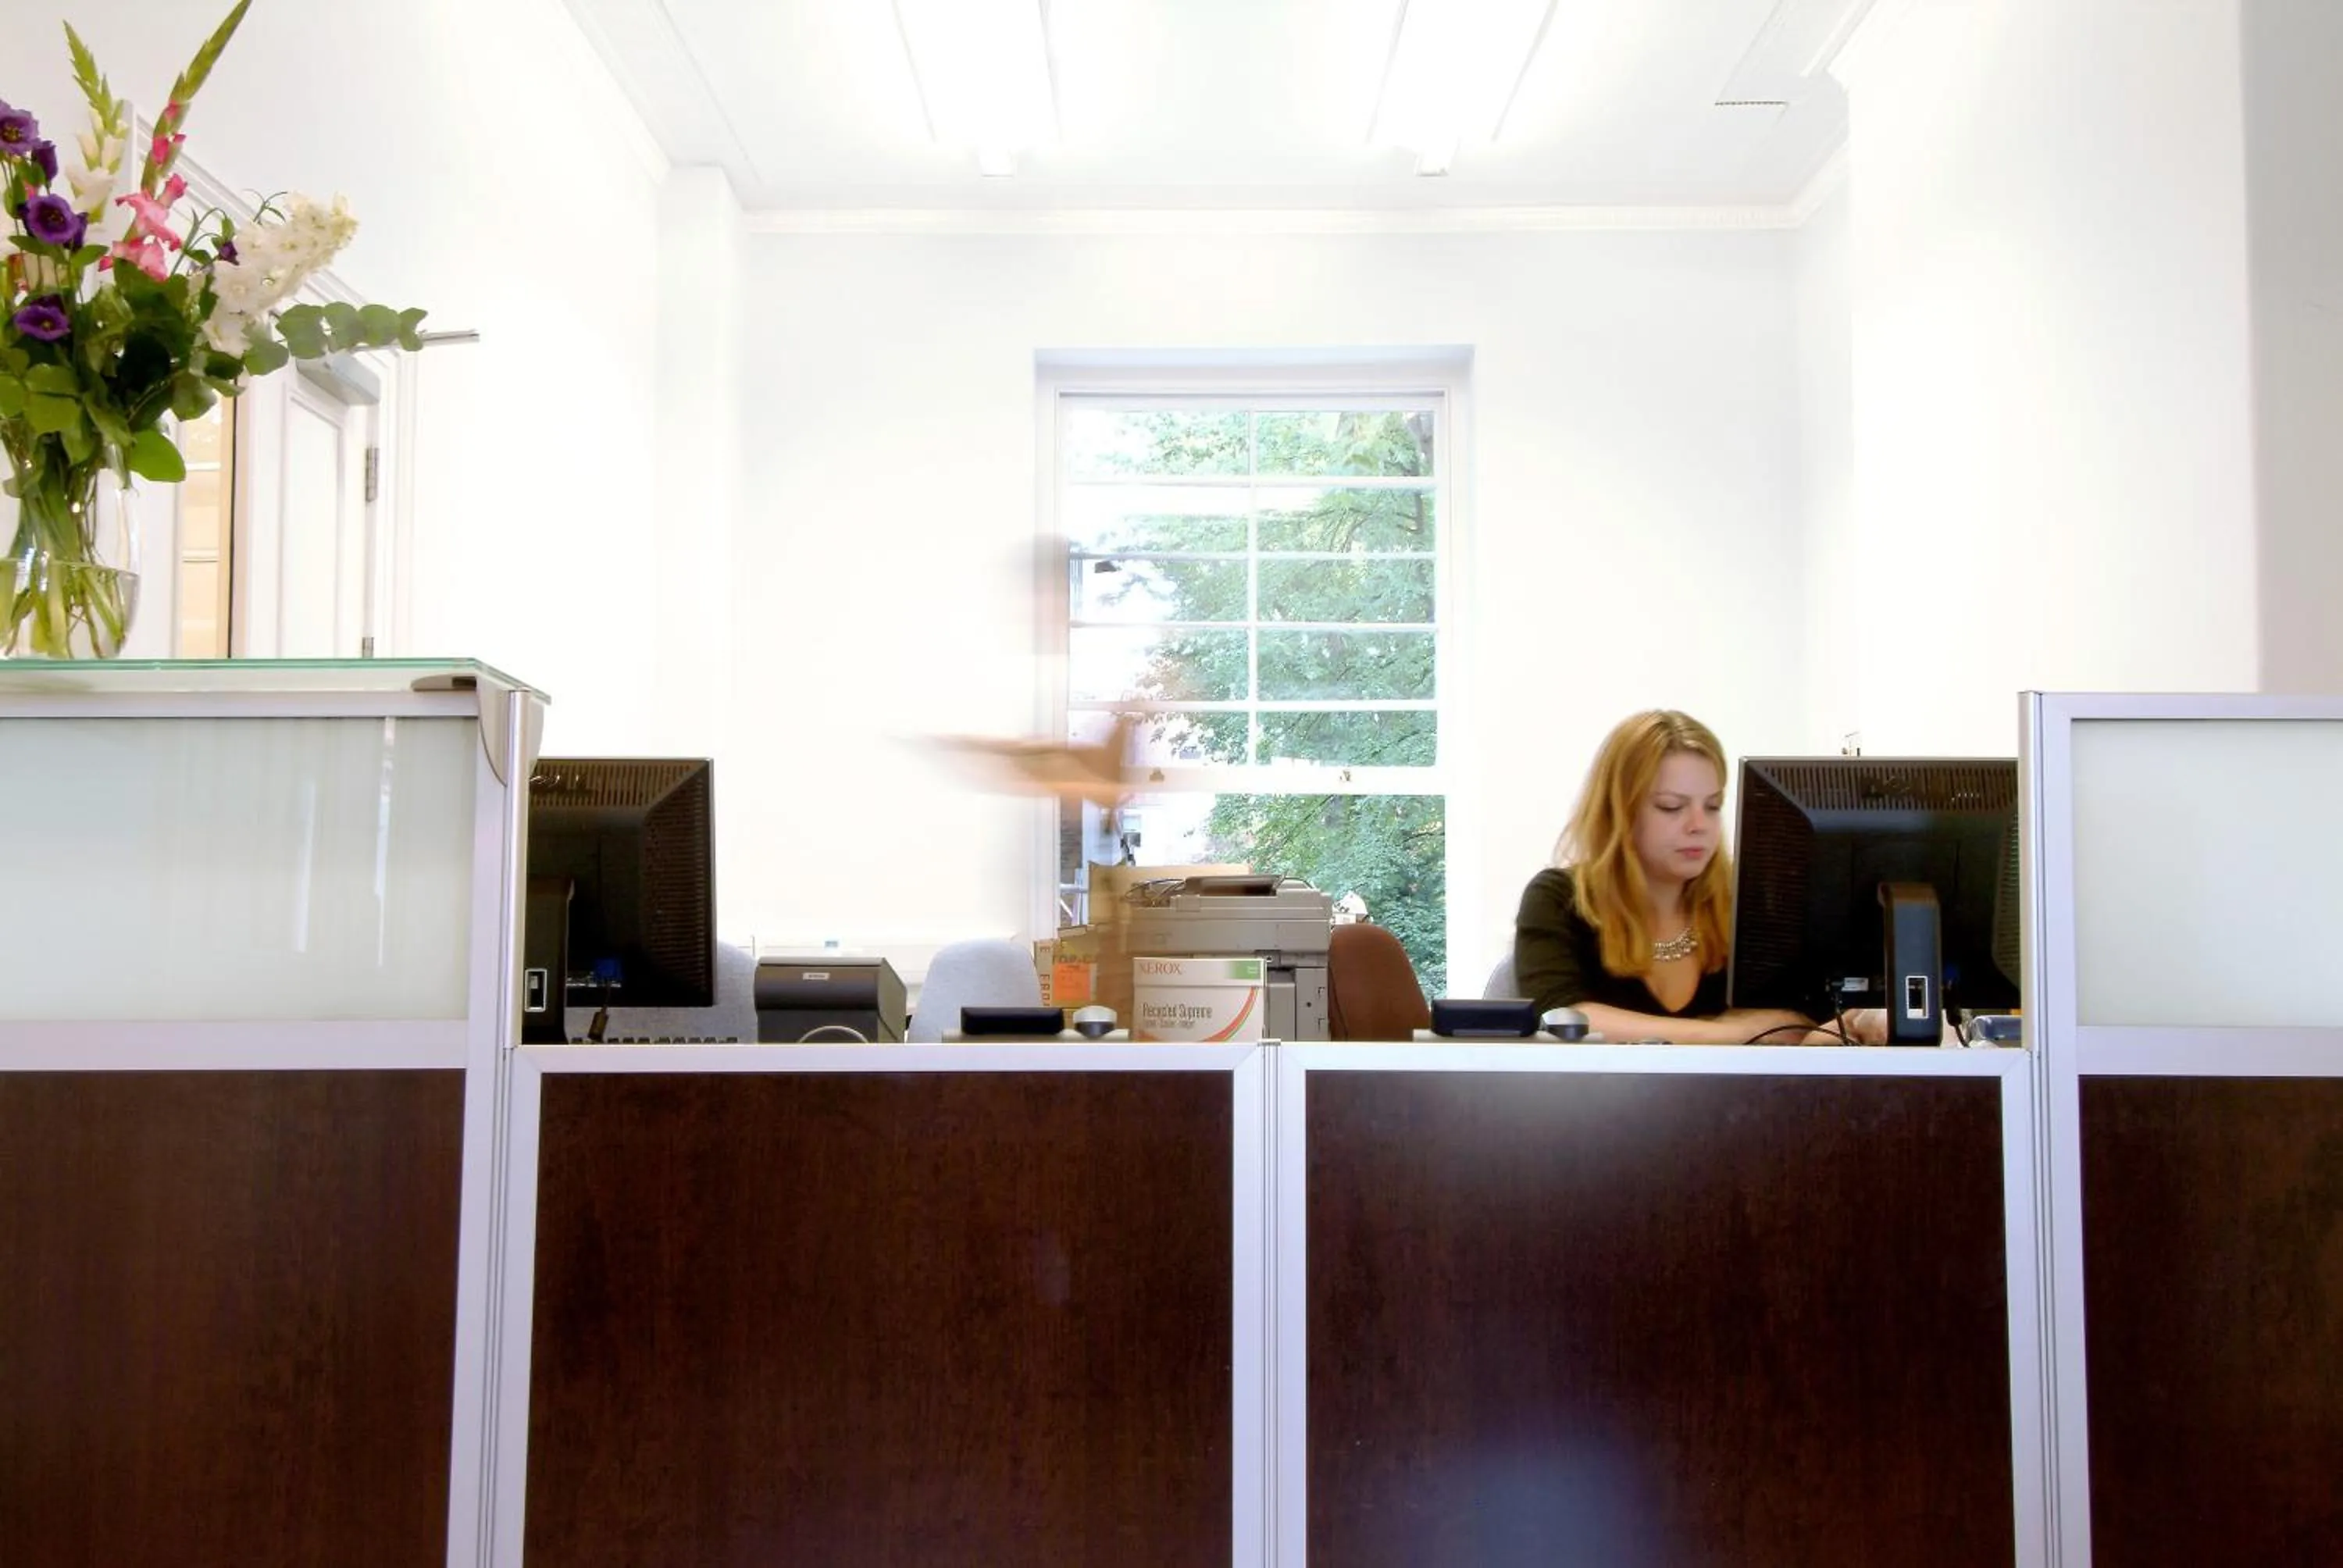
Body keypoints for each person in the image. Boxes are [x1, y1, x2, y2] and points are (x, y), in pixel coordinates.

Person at [1514, 710, 1858, 1045]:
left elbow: (1807, 1021)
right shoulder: (1559, 899)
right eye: (1671, 807)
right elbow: (1562, 1019)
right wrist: (1730, 1034)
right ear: (1619, 813)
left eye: (1712, 806)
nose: (1699, 825)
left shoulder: (1752, 906)